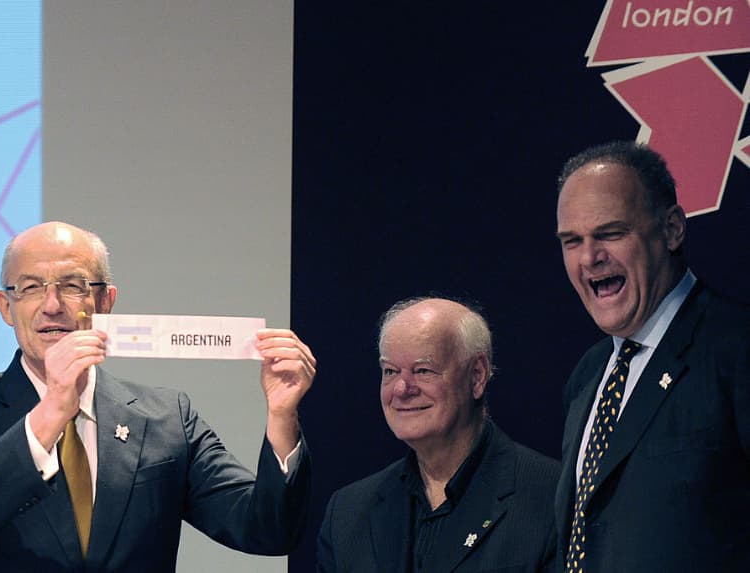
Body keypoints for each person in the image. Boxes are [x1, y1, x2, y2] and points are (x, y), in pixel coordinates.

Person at [0, 221, 316, 573]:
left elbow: (268, 531)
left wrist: (282, 416)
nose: (52, 305)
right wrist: (54, 409)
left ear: (105, 302)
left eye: (73, 286)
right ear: (6, 307)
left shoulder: (168, 418)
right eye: (31, 288)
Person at [554, 141, 750, 572]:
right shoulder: (587, 376)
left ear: (673, 229)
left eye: (611, 233)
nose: (590, 257)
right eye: (572, 241)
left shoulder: (736, 349)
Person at [317, 297, 559, 573]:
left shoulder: (552, 497)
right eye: (390, 371)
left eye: (423, 370)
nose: (401, 388)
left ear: (477, 375)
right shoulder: (348, 514)